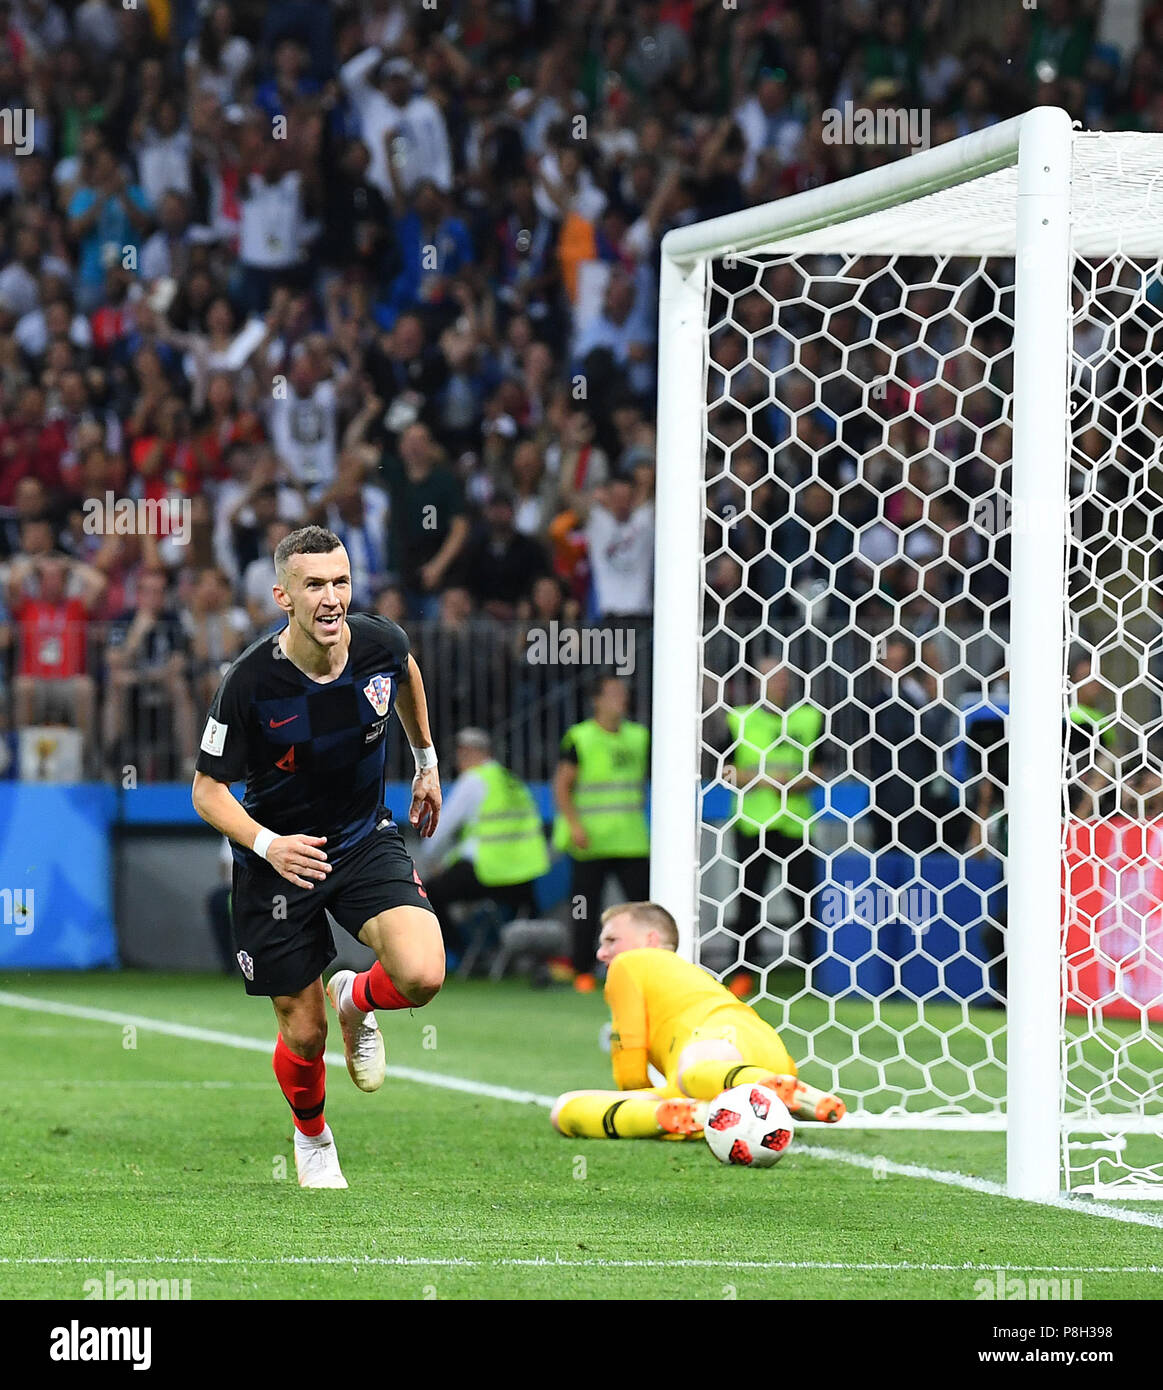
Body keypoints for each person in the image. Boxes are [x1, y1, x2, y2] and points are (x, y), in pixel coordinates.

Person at [191, 525, 445, 1189]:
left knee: (422, 973)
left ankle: (356, 996)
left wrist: (426, 761)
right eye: (314, 585)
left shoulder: (379, 642)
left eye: (339, 581)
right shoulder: (250, 683)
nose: (331, 598)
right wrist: (268, 845)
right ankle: (313, 1137)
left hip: (362, 837)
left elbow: (407, 670)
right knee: (303, 1034)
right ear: (283, 595)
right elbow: (206, 791)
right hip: (278, 862)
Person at [550, 902, 845, 1141]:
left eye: (611, 940)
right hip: (765, 1057)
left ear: (650, 940)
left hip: (717, 1043)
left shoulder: (629, 963)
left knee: (686, 1073)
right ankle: (701, 1114)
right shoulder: (686, 976)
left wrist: (636, 1097)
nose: (602, 953)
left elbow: (629, 1062)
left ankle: (678, 1114)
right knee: (563, 1107)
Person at [724, 656, 823, 988]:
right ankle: (742, 971)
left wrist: (794, 784)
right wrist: (763, 780)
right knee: (749, 899)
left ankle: (816, 971)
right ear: (757, 683)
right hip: (753, 824)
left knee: (807, 898)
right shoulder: (739, 720)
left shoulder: (809, 718)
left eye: (783, 677)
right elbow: (723, 771)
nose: (779, 683)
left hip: (796, 823)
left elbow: (822, 768)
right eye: (772, 678)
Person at [416, 727, 550, 960]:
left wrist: (429, 861)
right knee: (528, 912)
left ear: (468, 752)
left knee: (427, 893)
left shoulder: (474, 780)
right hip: (523, 875)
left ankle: (463, 953)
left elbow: (439, 827)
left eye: (460, 753)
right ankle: (538, 963)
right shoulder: (511, 780)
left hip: (488, 871)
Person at [552, 673, 650, 991]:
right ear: (596, 700)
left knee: (642, 907)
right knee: (584, 907)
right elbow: (562, 785)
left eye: (623, 693)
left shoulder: (639, 737)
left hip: (630, 838)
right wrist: (575, 824)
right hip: (590, 840)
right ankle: (583, 970)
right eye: (612, 694)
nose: (620, 699)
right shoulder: (580, 738)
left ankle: (645, 967)